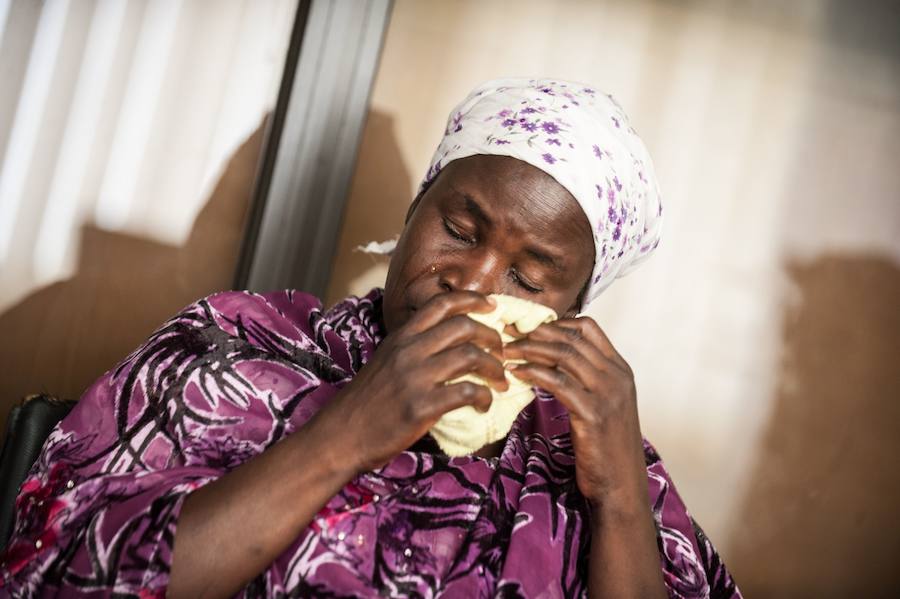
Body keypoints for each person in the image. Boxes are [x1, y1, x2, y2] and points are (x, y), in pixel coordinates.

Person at [0, 79, 741, 598]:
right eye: (459, 229)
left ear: (573, 310)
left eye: (530, 275)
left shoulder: (595, 450)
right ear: (417, 208)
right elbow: (62, 575)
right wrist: (351, 431)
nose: (476, 284)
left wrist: (616, 498)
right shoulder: (235, 348)